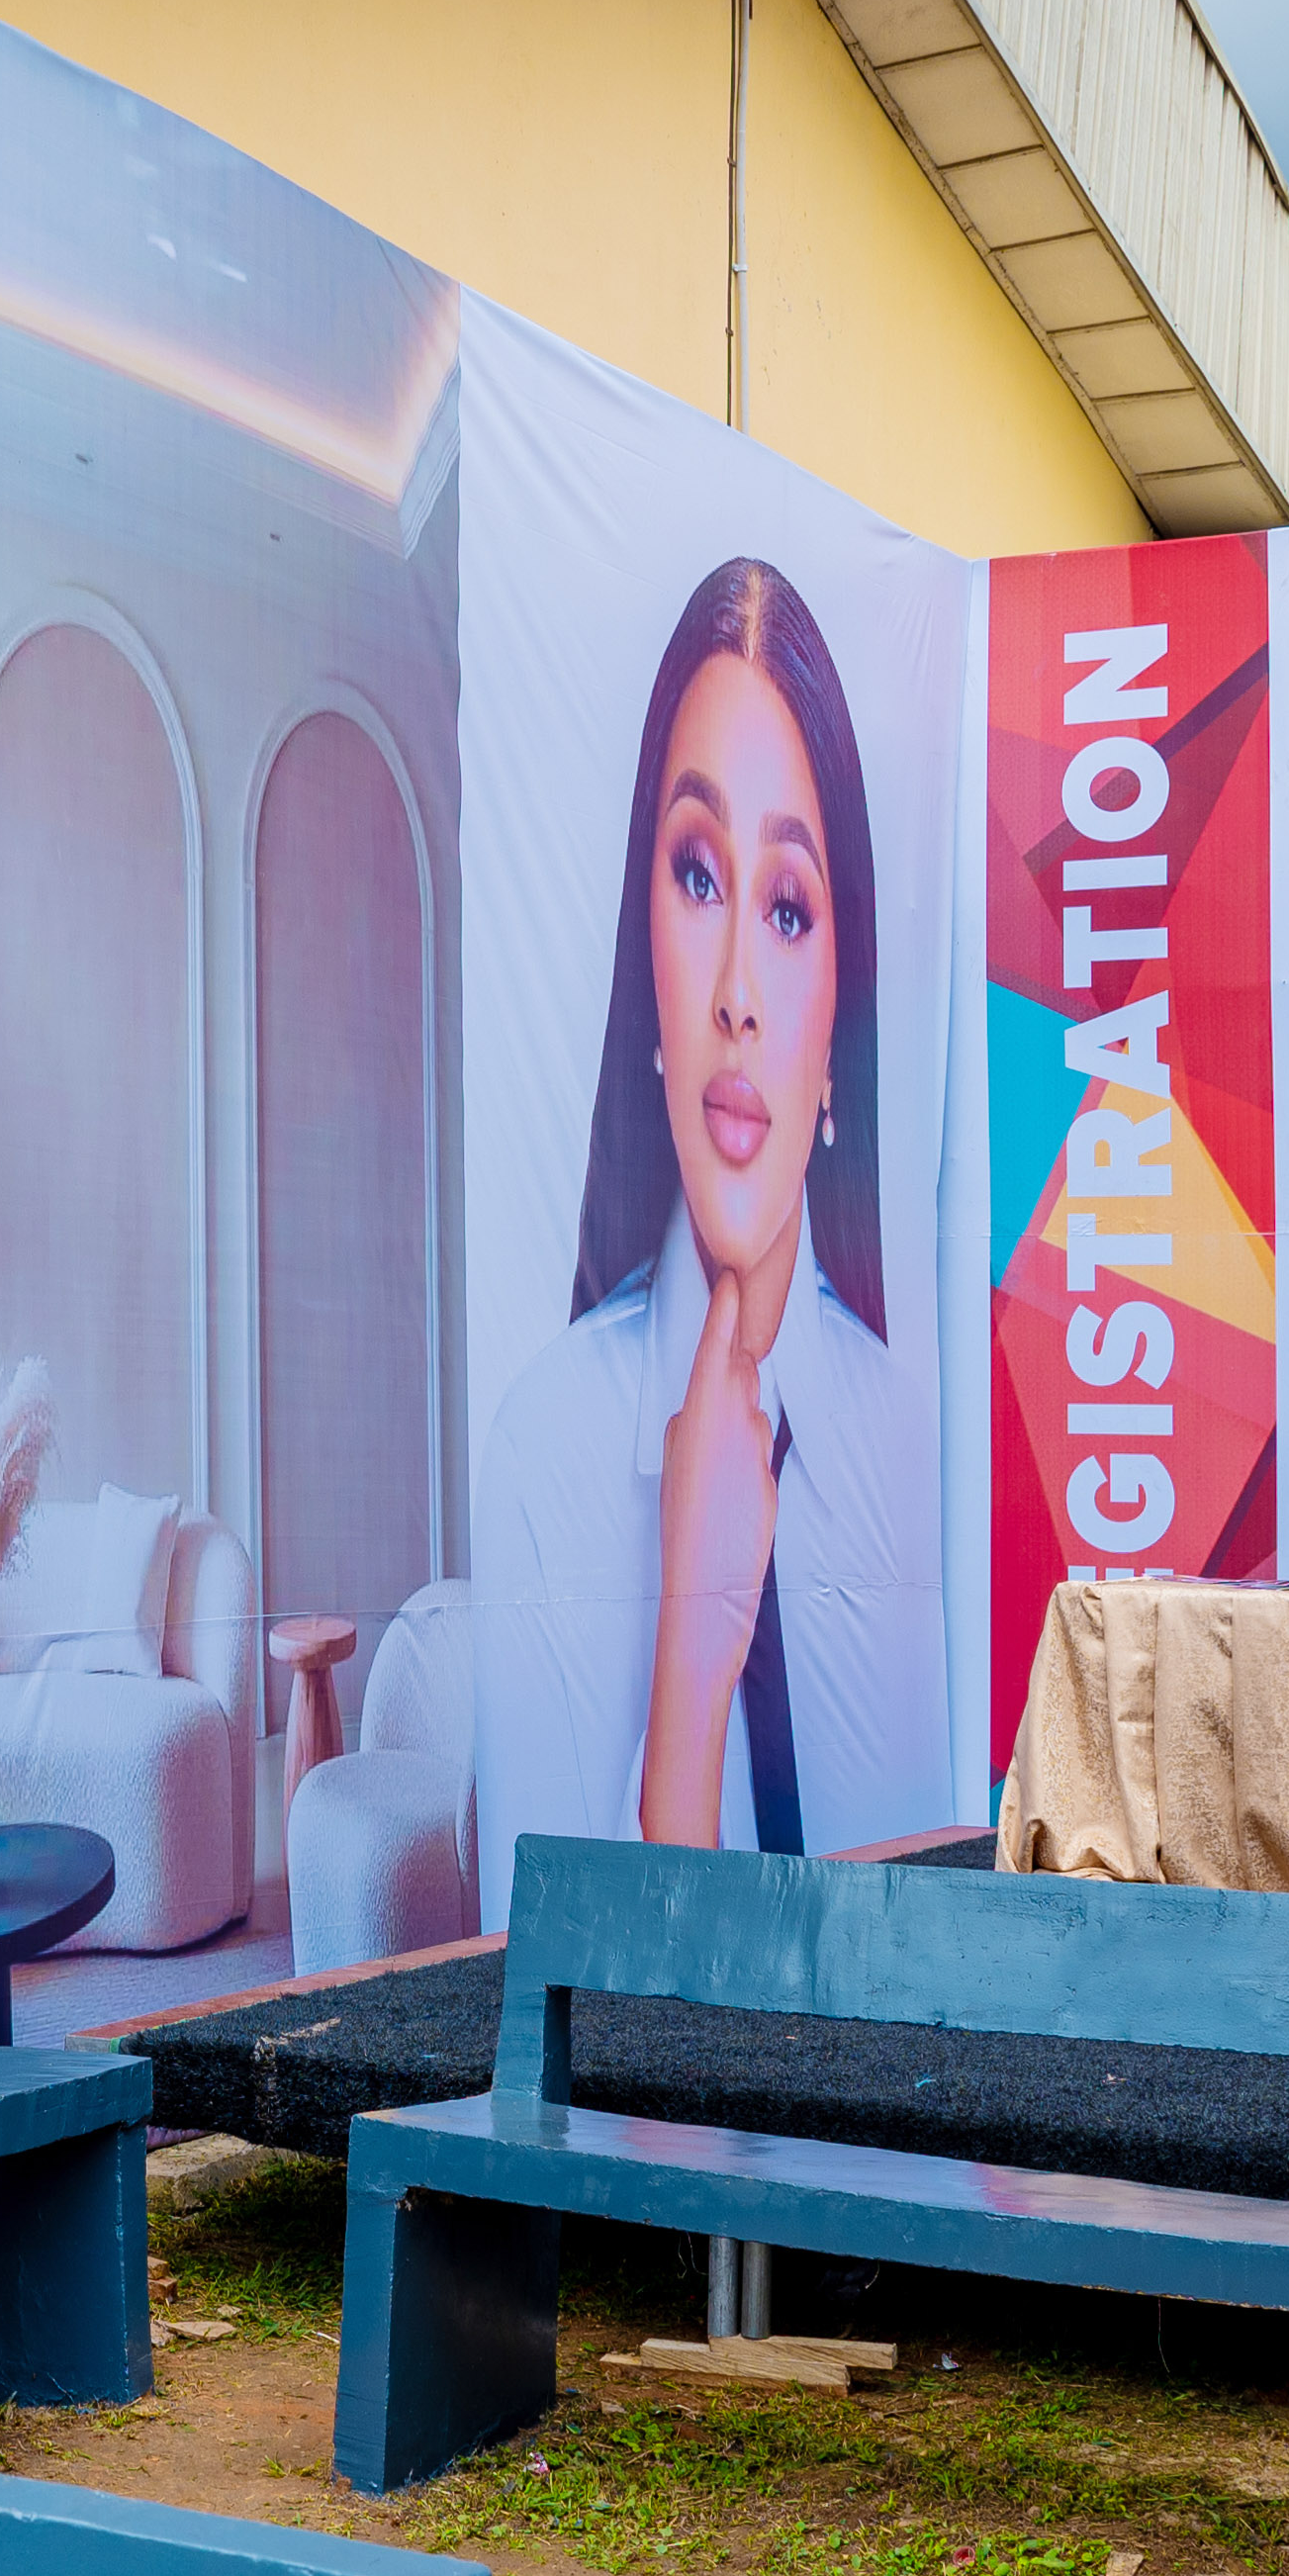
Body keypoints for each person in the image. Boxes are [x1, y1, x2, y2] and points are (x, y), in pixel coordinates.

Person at [474, 560, 923, 1890]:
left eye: (786, 908)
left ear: (840, 1018)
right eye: (696, 875)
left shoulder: (906, 1441)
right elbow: (539, 1985)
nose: (737, 990)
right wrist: (694, 1637)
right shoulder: (544, 1446)